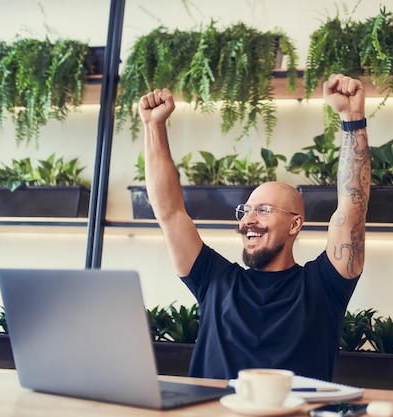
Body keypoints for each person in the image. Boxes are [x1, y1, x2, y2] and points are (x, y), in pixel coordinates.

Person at [138, 73, 370, 381]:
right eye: (245, 211)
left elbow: (352, 208)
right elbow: (169, 212)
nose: (248, 219)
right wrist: (153, 126)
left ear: (295, 224)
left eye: (263, 210)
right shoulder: (214, 280)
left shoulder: (325, 285)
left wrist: (352, 119)